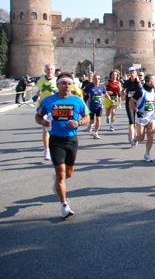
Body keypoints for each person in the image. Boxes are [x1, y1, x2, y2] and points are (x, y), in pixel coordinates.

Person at [35, 72, 89, 219]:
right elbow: (38, 116)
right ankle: (64, 205)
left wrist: (78, 123)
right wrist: (42, 122)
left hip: (71, 140)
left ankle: (58, 180)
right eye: (63, 83)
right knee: (60, 172)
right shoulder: (48, 101)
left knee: (69, 173)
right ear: (58, 85)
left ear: (72, 86)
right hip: (56, 140)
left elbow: (87, 116)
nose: (66, 86)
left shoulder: (77, 101)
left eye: (69, 84)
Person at [129, 74, 155, 162]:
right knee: (141, 137)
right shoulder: (140, 91)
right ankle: (135, 139)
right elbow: (131, 102)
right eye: (154, 81)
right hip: (141, 117)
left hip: (151, 117)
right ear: (150, 82)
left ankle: (147, 154)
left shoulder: (154, 90)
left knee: (151, 135)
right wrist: (136, 110)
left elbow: (154, 101)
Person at [36, 64, 57, 161]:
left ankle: (56, 147)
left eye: (51, 69)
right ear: (45, 70)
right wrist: (37, 96)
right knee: (45, 129)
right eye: (48, 69)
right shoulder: (40, 81)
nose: (49, 71)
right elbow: (40, 91)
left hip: (55, 107)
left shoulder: (57, 81)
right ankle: (47, 150)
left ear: (53, 71)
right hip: (44, 107)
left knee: (55, 128)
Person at [83, 74, 107, 139]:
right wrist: (82, 100)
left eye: (98, 79)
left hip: (99, 106)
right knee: (92, 120)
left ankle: (96, 133)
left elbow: (106, 94)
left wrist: (110, 100)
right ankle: (90, 125)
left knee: (98, 120)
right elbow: (83, 93)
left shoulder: (102, 87)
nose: (97, 80)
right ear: (93, 79)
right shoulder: (89, 86)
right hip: (91, 106)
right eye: (95, 79)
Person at [122, 67, 143, 143]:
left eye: (133, 73)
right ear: (129, 74)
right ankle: (132, 138)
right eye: (131, 73)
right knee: (131, 120)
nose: (132, 74)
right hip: (129, 103)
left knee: (136, 121)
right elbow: (123, 89)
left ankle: (131, 132)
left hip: (137, 103)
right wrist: (123, 95)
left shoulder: (139, 82)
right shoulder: (127, 82)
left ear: (136, 73)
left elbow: (142, 89)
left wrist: (138, 81)